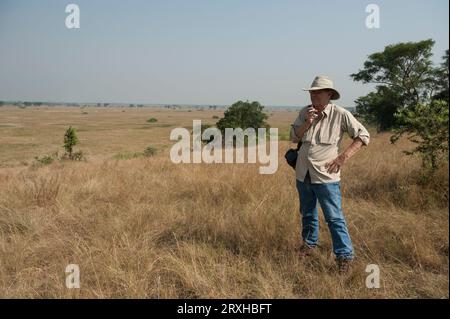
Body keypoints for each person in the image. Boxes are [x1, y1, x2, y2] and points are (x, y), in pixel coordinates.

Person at [290, 75, 370, 273]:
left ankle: (344, 257)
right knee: (307, 213)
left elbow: (363, 135)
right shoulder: (304, 112)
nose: (313, 95)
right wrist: (307, 123)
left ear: (329, 94)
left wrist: (343, 158)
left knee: (334, 217)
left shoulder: (340, 114)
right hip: (303, 174)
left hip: (326, 177)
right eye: (312, 91)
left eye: (318, 91)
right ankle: (309, 245)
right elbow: (294, 137)